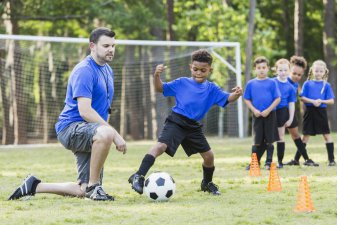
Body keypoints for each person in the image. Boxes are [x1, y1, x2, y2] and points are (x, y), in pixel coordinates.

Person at [8, 27, 127, 201]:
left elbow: (104, 108)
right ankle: (95, 187)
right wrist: (113, 135)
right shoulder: (84, 70)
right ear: (92, 46)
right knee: (107, 132)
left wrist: (104, 137)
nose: (111, 49)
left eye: (113, 46)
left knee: (81, 190)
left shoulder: (107, 70)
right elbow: (85, 111)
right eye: (106, 45)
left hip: (92, 132)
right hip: (71, 128)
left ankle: (34, 185)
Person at [128, 49, 243, 196]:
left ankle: (207, 183)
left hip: (193, 126)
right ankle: (138, 175)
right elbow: (159, 88)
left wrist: (237, 94)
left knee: (209, 156)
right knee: (161, 146)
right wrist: (156, 75)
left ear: (210, 70)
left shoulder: (212, 89)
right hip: (176, 121)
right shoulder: (181, 82)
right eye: (195, 69)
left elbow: (228, 98)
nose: (198, 73)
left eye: (203, 70)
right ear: (191, 67)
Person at [243, 56, 281, 170]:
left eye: (264, 67)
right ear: (255, 69)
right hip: (257, 115)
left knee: (270, 139)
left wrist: (268, 110)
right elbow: (246, 99)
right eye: (259, 67)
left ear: (268, 68)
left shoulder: (272, 83)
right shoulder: (251, 83)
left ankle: (268, 162)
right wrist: (254, 110)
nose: (261, 70)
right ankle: (254, 163)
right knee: (256, 141)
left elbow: (277, 98)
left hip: (270, 115)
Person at [284, 56, 319, 166]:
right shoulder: (282, 81)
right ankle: (257, 161)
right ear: (289, 70)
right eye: (294, 73)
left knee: (296, 136)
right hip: (277, 112)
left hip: (289, 112)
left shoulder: (295, 84)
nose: (296, 76)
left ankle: (306, 160)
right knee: (269, 137)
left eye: (299, 75)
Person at [300, 60, 335, 166]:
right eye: (316, 71)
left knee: (326, 135)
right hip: (309, 111)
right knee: (305, 136)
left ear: (324, 72)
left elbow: (331, 101)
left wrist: (321, 101)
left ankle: (331, 160)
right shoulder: (307, 83)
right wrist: (312, 101)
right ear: (312, 71)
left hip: (321, 112)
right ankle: (297, 159)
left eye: (321, 71)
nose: (318, 73)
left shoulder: (326, 85)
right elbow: (302, 97)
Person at [272, 59, 297, 168]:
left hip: (282, 112)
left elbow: (291, 104)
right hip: (270, 111)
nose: (283, 72)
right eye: (280, 70)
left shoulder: (291, 87)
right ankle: (265, 161)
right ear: (276, 71)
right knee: (266, 137)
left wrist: (291, 118)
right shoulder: (271, 82)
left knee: (280, 136)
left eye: (285, 70)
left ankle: (280, 161)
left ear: (289, 71)